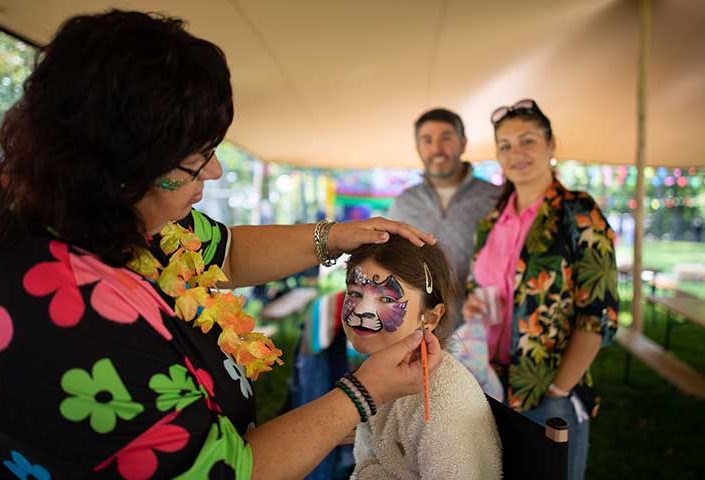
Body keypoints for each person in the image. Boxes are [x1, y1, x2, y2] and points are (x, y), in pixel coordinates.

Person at [0, 10, 445, 480]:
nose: (214, 172)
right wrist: (360, 396)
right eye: (196, 159)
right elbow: (229, 472)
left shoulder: (125, 216)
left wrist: (331, 236)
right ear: (127, 167)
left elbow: (226, 252)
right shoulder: (72, 315)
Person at [464, 99, 619, 479]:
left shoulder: (579, 212)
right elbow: (477, 286)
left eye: (527, 141)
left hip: (547, 392)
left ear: (551, 145)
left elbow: (598, 314)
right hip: (488, 385)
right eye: (505, 145)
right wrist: (474, 306)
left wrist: (558, 389)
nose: (516, 153)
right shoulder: (490, 221)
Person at [342, 235, 501, 480]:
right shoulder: (377, 371)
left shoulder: (444, 400)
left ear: (431, 317)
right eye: (354, 293)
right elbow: (368, 465)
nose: (362, 311)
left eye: (386, 299)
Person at [388, 108, 501, 396]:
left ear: (463, 143)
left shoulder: (495, 198)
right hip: (418, 334)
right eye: (427, 140)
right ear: (418, 148)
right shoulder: (404, 203)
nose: (436, 148)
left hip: (481, 334)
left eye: (446, 137)